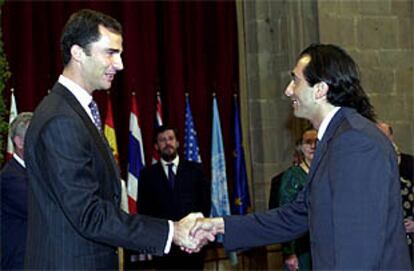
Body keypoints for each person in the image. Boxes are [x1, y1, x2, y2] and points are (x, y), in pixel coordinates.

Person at [189, 44, 411, 269]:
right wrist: (218, 226)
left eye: (295, 80)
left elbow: (358, 246)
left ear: (320, 89)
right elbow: (295, 216)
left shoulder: (355, 142)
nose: (288, 90)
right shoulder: (335, 139)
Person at [23, 9, 208, 269]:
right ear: (77, 53)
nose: (119, 65)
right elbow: (88, 214)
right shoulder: (61, 120)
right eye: (110, 53)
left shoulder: (75, 112)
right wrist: (172, 232)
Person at [135, 125, 211, 270]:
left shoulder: (196, 170)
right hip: (163, 246)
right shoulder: (147, 175)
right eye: (162, 140)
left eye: (170, 139)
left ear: (177, 143)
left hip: (192, 245)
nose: (167, 143)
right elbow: (144, 210)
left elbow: (204, 205)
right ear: (157, 146)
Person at [278, 129, 316, 271]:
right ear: (301, 147)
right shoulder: (293, 175)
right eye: (308, 142)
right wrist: (289, 252)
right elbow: (285, 215)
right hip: (301, 247)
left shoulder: (329, 173)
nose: (313, 146)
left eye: (316, 142)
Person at [377, 122, 414, 267]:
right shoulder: (369, 164)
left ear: (391, 136)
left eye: (384, 134)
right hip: (384, 240)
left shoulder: (409, 163)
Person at [1, 112, 32, 269]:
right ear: (19, 142)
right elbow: (37, 210)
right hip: (18, 262)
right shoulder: (10, 177)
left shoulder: (31, 172)